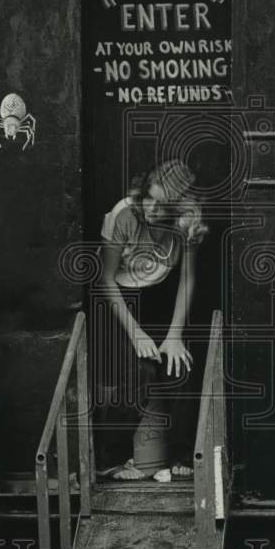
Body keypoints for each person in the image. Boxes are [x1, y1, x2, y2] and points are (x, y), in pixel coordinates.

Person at [93, 159, 208, 481]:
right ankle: (109, 460)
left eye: (162, 204)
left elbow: (187, 280)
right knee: (138, 372)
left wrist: (174, 335)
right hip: (120, 302)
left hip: (159, 297)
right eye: (149, 198)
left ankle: (182, 457)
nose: (153, 208)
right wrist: (136, 334)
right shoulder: (124, 213)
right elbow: (106, 279)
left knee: (181, 367)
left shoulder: (186, 224)